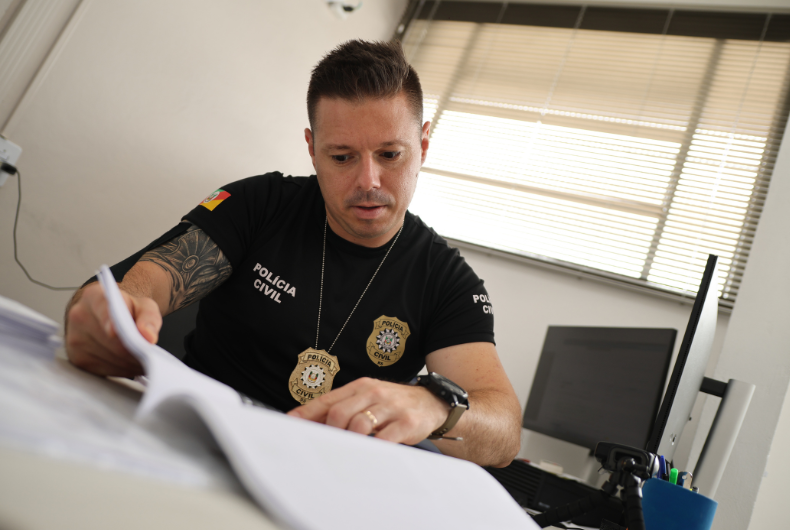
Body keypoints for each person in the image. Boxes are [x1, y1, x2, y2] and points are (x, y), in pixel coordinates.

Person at [64, 40, 521, 467]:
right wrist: (112, 313)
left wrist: (435, 405)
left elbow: (503, 430)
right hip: (189, 441)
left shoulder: (446, 281)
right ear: (312, 149)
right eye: (341, 157)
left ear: (422, 147)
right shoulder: (259, 204)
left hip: (319, 475)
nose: (368, 181)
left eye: (390, 155)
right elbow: (144, 283)